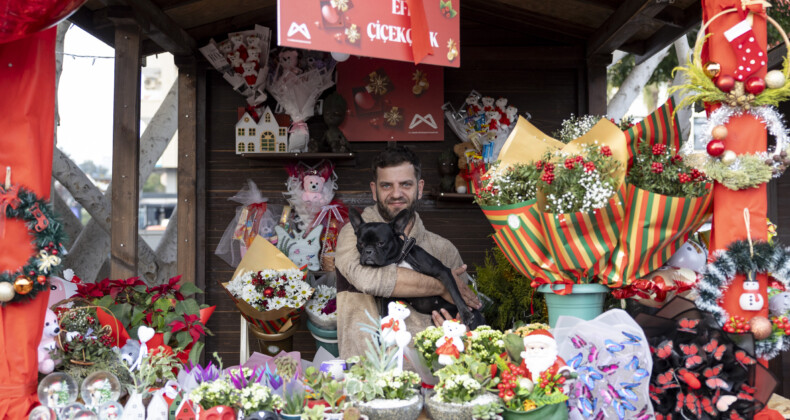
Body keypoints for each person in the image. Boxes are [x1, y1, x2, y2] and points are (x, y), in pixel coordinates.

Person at [334, 145, 482, 364]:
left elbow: (470, 311)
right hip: (366, 376)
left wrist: (460, 329)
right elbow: (370, 279)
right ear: (374, 190)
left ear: (419, 188)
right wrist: (443, 283)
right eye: (387, 186)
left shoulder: (443, 249)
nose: (396, 194)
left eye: (405, 184)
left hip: (432, 378)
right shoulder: (353, 234)